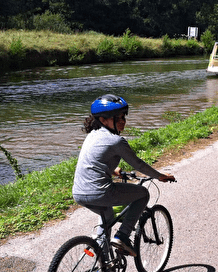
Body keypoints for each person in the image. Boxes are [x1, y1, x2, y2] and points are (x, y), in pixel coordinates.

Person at [72, 94, 175, 257]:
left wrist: (114, 171)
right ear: (103, 120)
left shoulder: (92, 136)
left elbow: (93, 162)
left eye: (123, 117)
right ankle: (122, 236)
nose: (123, 121)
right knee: (142, 194)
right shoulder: (116, 141)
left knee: (107, 215)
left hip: (78, 193)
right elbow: (138, 164)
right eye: (117, 118)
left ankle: (102, 261)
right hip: (100, 192)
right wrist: (160, 176)